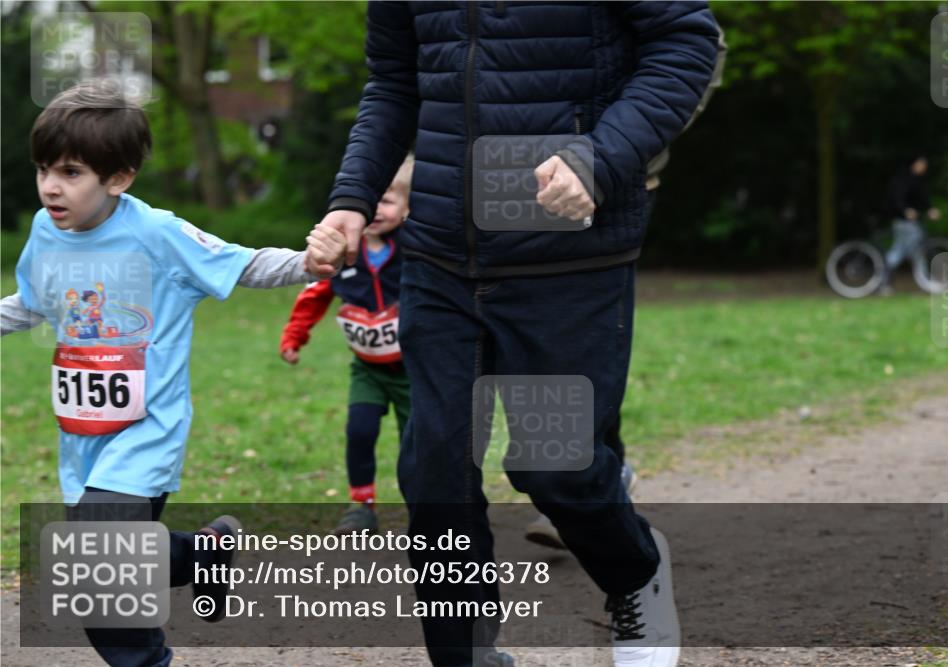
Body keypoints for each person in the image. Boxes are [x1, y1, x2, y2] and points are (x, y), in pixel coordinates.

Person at [309, 4, 720, 667]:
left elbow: (685, 43)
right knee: (433, 470)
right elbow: (393, 79)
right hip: (440, 253)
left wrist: (600, 157)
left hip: (567, 253)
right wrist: (352, 197)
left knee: (557, 466)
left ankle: (635, 573)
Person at [0, 80, 345, 667]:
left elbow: (243, 263)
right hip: (83, 439)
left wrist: (308, 264)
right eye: (43, 170)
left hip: (144, 435)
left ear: (119, 178)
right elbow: (32, 303)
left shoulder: (157, 233)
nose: (51, 186)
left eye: (71, 172)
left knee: (98, 575)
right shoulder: (44, 231)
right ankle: (206, 554)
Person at [524, 26, 728, 551]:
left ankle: (588, 477)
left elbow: (701, 53)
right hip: (520, 180)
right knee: (539, 336)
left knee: (585, 333)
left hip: (621, 181)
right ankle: (589, 477)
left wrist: (632, 142)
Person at [280, 157, 414, 536]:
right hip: (368, 370)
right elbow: (314, 296)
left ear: (407, 208)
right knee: (360, 430)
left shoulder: (415, 250)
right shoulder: (342, 254)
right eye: (368, 201)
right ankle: (361, 505)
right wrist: (294, 337)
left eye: (386, 201)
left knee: (416, 442)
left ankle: (425, 505)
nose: (374, 211)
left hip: (413, 371)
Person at [881, 155, 941, 292]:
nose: (923, 168)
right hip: (902, 221)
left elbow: (923, 198)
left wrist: (930, 209)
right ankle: (883, 281)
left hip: (912, 222)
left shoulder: (917, 181)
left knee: (917, 250)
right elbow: (897, 198)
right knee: (900, 251)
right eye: (921, 164)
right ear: (913, 164)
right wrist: (905, 210)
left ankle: (926, 281)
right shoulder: (902, 180)